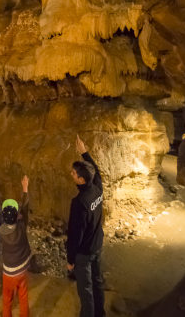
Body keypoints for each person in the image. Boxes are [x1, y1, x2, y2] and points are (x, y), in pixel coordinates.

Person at [66, 135, 105, 317]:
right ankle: (100, 313)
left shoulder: (79, 202)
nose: (72, 174)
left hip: (84, 252)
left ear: (81, 180)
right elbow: (95, 170)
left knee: (86, 290)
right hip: (97, 244)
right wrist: (84, 153)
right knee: (97, 282)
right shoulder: (97, 188)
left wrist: (70, 260)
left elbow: (75, 235)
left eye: (74, 173)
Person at [0, 175, 31, 317]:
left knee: (7, 299)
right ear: (18, 216)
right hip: (22, 268)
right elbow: (25, 208)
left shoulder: (1, 231)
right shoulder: (21, 227)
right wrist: (25, 188)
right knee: (23, 297)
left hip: (8, 271)